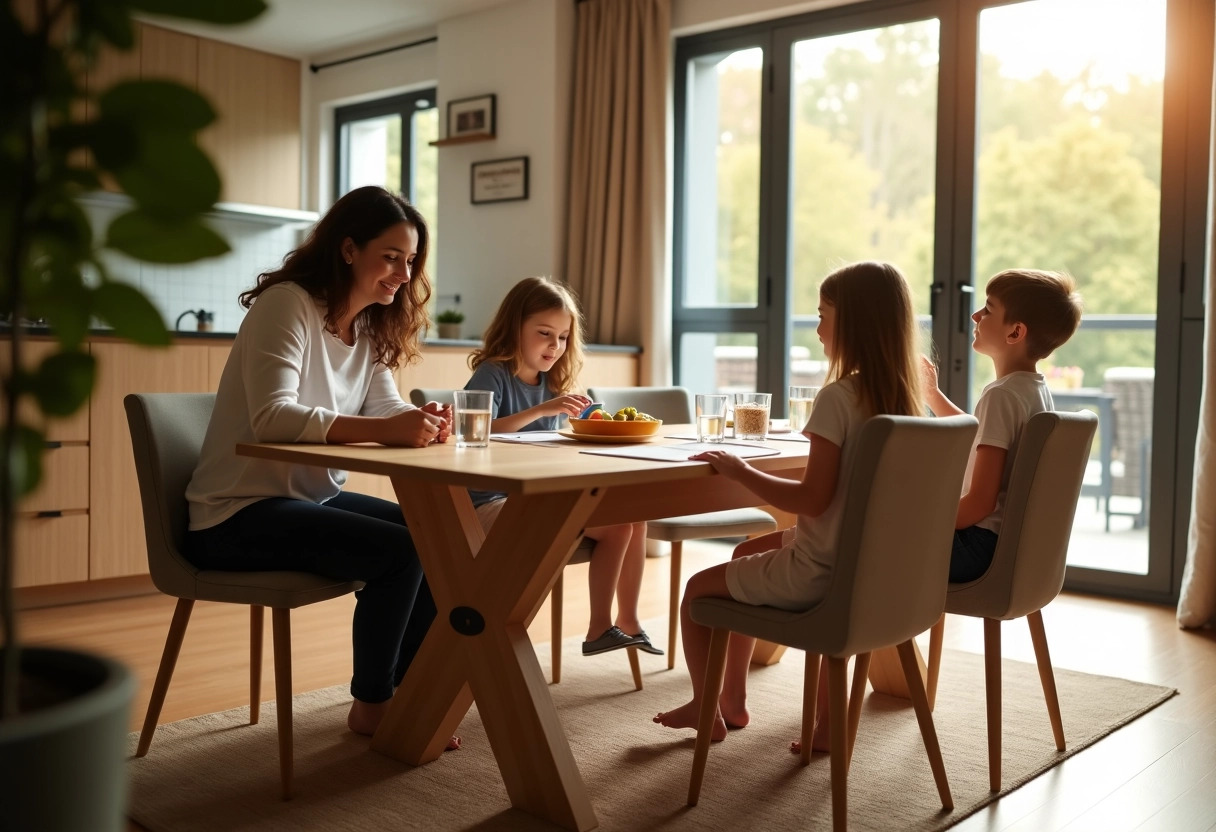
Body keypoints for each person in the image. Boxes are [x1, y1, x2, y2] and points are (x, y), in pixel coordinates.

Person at [185, 185, 457, 743]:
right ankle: (374, 705)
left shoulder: (369, 328)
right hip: (234, 513)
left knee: (437, 534)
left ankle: (409, 691)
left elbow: (386, 408)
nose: (404, 274)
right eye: (391, 257)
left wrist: (420, 420)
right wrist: (387, 430)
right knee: (402, 551)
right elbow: (272, 417)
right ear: (348, 249)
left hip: (308, 499)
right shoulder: (287, 304)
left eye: (410, 262)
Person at [653, 261, 922, 746]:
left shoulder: (839, 398)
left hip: (822, 570)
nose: (817, 327)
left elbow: (812, 500)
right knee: (741, 554)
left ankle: (705, 706)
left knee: (696, 593)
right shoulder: (908, 404)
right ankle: (735, 701)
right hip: (877, 567)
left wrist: (740, 471)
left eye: (824, 314)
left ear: (853, 322)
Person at [464, 276, 661, 658]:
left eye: (564, 337)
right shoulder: (494, 373)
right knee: (620, 524)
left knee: (633, 517)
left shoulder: (551, 382)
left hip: (535, 498)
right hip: (489, 505)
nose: (555, 346)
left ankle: (629, 622)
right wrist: (542, 410)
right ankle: (600, 627)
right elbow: (477, 430)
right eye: (544, 334)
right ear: (514, 327)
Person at [922, 268, 1082, 582]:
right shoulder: (1032, 391)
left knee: (877, 537)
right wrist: (932, 393)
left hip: (976, 549)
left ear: (1015, 332)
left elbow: (981, 503)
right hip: (1008, 549)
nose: (974, 316)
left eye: (988, 309)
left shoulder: (1001, 395)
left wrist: (927, 518)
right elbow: (975, 430)